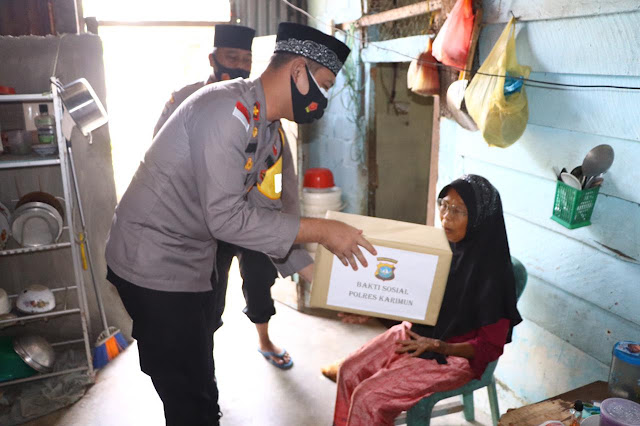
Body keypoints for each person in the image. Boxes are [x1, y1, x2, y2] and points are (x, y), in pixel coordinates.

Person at [105, 22, 376, 426]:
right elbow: (227, 218)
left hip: (191, 260)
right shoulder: (223, 111)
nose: (325, 97)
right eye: (323, 82)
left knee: (198, 370)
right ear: (298, 71)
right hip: (151, 263)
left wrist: (325, 285)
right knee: (184, 387)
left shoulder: (268, 132)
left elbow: (271, 211)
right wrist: (321, 229)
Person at [331, 174, 523, 426]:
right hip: (417, 332)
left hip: (454, 355)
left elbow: (490, 347)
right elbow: (413, 296)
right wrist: (372, 308)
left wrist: (439, 346)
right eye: (444, 204)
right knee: (348, 371)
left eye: (458, 211)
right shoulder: (440, 248)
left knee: (369, 397)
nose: (446, 216)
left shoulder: (493, 274)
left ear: (479, 218)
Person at [154, 24, 293, 369]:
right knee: (207, 298)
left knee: (261, 281)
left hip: (251, 214)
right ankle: (205, 367)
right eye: (232, 57)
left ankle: (264, 339)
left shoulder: (260, 105)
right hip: (204, 222)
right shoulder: (184, 98)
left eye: (247, 59)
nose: (240, 66)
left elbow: (277, 168)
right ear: (213, 58)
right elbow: (160, 155)